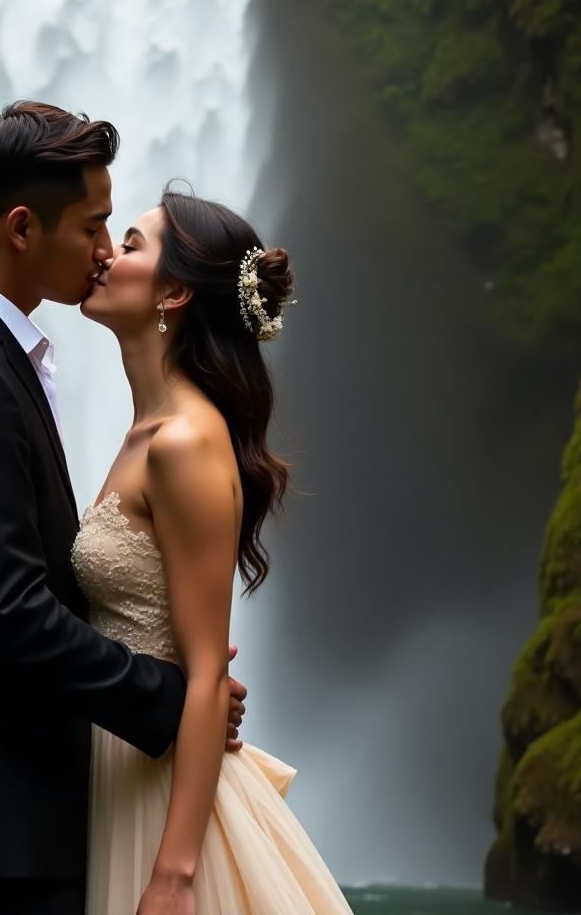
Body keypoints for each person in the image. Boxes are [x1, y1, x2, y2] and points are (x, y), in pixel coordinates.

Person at [0, 102, 247, 915]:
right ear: (24, 228)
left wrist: (184, 680)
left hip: (15, 809)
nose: (104, 252)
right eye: (95, 226)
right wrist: (168, 696)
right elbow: (10, 610)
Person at [77, 189, 355, 913]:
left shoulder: (184, 441)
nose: (105, 253)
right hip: (122, 765)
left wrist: (173, 875)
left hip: (161, 793)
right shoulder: (147, 432)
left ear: (172, 291)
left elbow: (206, 674)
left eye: (131, 243)